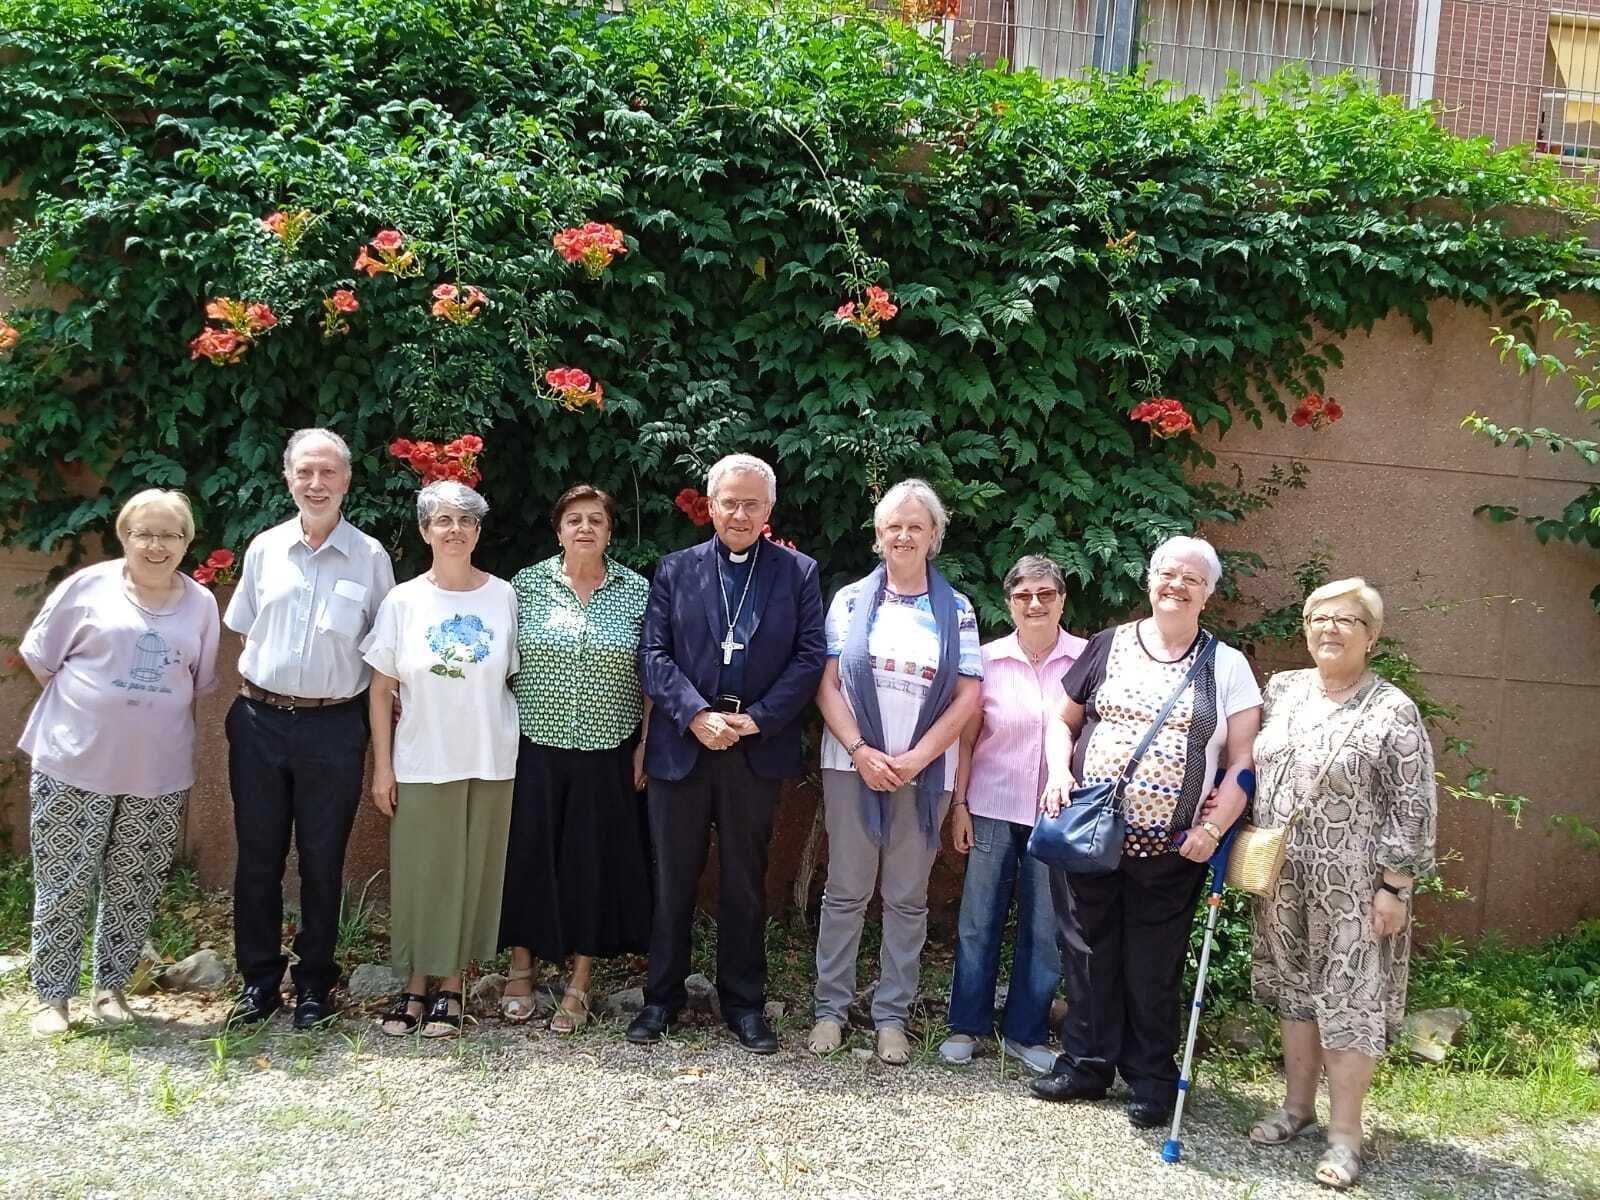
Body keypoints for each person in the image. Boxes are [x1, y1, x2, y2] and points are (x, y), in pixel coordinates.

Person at [1031, 535, 1262, 1129]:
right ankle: (1085, 1064)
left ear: (1208, 593)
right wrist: (1058, 771)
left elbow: (1242, 762)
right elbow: (1063, 720)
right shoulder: (1109, 644)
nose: (1176, 586)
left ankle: (1151, 1079)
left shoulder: (1227, 664)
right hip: (1091, 833)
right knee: (1085, 953)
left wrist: (1214, 827)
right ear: (1150, 580)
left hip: (1173, 847)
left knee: (1152, 965)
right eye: (1167, 574)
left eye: (1191, 579)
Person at [630, 453, 826, 1053]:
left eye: (752, 503)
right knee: (673, 879)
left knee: (745, 879)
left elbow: (809, 656)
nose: (740, 513)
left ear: (769, 510)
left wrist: (757, 720)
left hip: (753, 747)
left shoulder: (797, 572)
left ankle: (743, 1003)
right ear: (710, 506)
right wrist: (695, 714)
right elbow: (653, 654)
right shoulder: (674, 570)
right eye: (729, 502)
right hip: (683, 745)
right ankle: (661, 999)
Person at [1246, 578, 1435, 1190]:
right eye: (1319, 618)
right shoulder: (1283, 690)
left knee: (1351, 1001)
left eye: (1346, 621)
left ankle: (1346, 1136)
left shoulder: (1391, 708)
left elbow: (1414, 803)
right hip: (1281, 876)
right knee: (1295, 989)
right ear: (1305, 627)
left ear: (1371, 636)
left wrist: (1395, 886)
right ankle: (1297, 1108)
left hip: (1355, 883)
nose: (1330, 629)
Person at [18, 490, 220, 1036]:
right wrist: (97, 708)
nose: (157, 545)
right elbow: (41, 660)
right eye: (144, 534)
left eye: (170, 535)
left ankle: (109, 990)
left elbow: (195, 681)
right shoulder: (87, 587)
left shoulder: (201, 604)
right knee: (64, 881)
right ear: (124, 536)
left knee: (134, 883)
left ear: (187, 541)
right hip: (75, 761)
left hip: (157, 769)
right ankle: (51, 999)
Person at [223, 428, 394, 1030]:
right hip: (259, 721)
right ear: (288, 478)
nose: (316, 484)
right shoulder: (264, 548)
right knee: (258, 858)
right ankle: (259, 983)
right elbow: (245, 629)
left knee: (324, 859)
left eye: (328, 473)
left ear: (347, 480)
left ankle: (317, 983)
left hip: (334, 727)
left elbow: (383, 652)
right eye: (305, 473)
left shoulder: (371, 557)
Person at [808, 479, 982, 1065]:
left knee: (907, 896)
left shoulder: (956, 609)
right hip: (851, 764)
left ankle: (891, 1017)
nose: (903, 535)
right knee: (846, 890)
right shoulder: (851, 600)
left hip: (924, 772)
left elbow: (968, 697)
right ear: (878, 536)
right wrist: (861, 749)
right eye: (893, 526)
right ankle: (830, 1009)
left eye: (916, 525)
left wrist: (917, 758)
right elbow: (827, 685)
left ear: (934, 536)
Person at [363, 481, 519, 1038]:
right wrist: (383, 768)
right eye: (443, 521)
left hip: (489, 757)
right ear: (426, 531)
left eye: (466, 521)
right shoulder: (403, 601)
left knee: (471, 875)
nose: (455, 530)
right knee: (422, 873)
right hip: (422, 758)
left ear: (478, 532)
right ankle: (413, 987)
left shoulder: (503, 596)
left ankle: (452, 987)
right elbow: (381, 690)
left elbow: (514, 676)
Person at [498, 484, 652, 1031]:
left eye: (596, 520)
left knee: (591, 863)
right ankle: (522, 967)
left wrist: (645, 742)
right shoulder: (526, 587)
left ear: (611, 531)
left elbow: (651, 675)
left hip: (607, 751)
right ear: (558, 530)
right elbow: (500, 665)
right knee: (529, 856)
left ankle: (580, 979)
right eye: (573, 520)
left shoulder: (636, 592)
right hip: (535, 745)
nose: (584, 528)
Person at [939, 554, 1086, 1075]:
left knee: (1044, 928)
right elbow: (966, 738)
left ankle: (1026, 1032)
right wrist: (959, 805)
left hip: (1057, 815)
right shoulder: (988, 659)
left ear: (1062, 600)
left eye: (1046, 593)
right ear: (1010, 604)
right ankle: (967, 1026)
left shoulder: (1088, 660)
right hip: (991, 807)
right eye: (1024, 595)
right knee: (978, 922)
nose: (1036, 603)